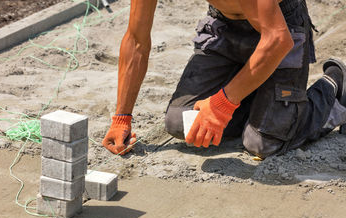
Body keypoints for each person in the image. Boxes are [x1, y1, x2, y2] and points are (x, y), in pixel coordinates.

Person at [102, 0, 346, 159]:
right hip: (225, 26)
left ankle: (335, 85)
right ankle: (257, 96)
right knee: (181, 121)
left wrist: (222, 104)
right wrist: (122, 117)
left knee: (262, 142)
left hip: (280, 26)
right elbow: (136, 40)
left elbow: (277, 39)